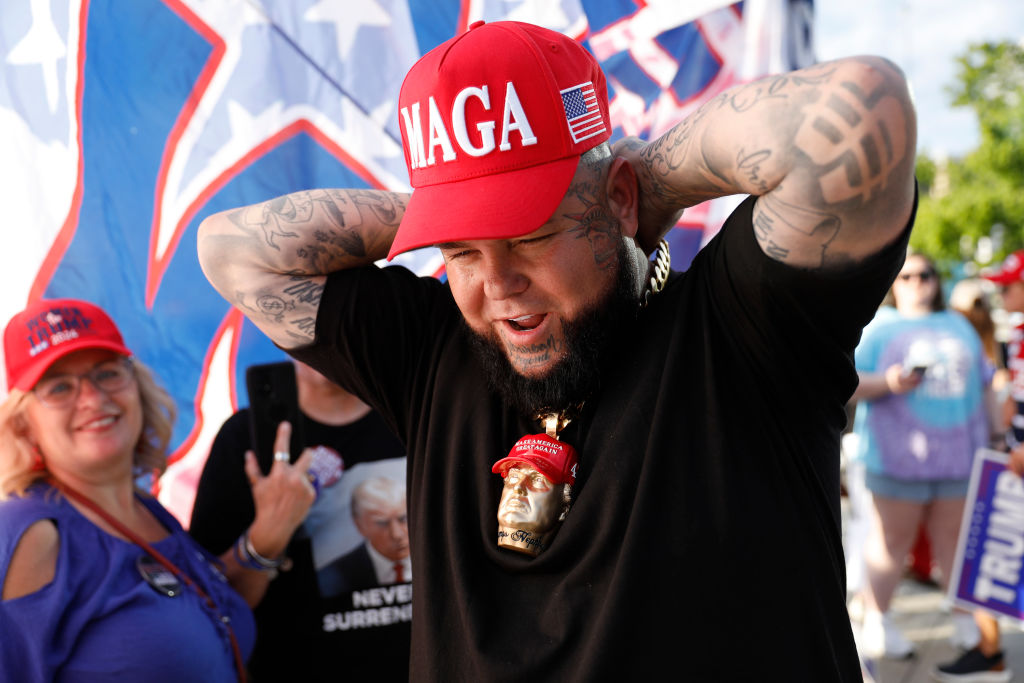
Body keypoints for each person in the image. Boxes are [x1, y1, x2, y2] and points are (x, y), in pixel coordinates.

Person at [197, 20, 918, 680]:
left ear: (621, 199)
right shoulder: (434, 351)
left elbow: (861, 107)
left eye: (532, 233)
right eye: (462, 250)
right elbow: (230, 250)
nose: (499, 284)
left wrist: (654, 177)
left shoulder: (740, 332)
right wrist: (447, 201)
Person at [0, 298, 311, 681]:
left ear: (137, 388)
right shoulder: (29, 534)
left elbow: (205, 613)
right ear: (23, 424)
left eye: (108, 373)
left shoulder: (147, 511)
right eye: (60, 387)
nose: (94, 399)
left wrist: (266, 537)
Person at [190, 360, 410, 682]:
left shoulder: (421, 415)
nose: (317, 332)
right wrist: (268, 533)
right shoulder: (244, 440)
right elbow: (208, 604)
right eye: (301, 316)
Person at [849, 253, 997, 660]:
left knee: (955, 543)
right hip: (897, 459)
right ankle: (877, 622)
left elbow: (985, 383)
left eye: (926, 274)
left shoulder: (958, 325)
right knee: (890, 544)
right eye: (907, 275)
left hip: (958, 458)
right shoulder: (877, 327)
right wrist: (889, 382)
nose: (917, 282)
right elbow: (847, 382)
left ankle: (967, 624)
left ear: (937, 280)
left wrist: (998, 436)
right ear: (894, 282)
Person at [928, 252, 1024, 682]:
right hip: (1010, 460)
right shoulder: (1017, 331)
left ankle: (990, 654)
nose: (1000, 295)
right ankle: (989, 653)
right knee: (988, 553)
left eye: (1007, 286)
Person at [317, 476, 410, 597]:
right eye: (383, 523)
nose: (396, 534)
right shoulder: (330, 580)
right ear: (359, 525)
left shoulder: (439, 559)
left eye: (403, 519)